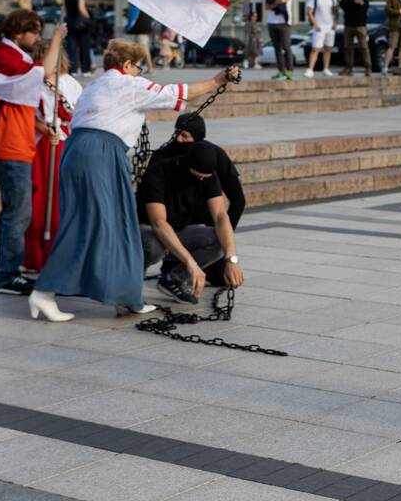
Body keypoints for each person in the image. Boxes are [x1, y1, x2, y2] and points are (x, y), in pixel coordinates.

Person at [27, 40, 237, 322]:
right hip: (101, 154)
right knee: (93, 225)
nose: (140, 72)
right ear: (126, 65)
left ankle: (127, 295)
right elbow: (180, 93)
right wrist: (217, 80)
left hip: (83, 152)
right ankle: (45, 291)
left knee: (117, 225)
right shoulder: (126, 84)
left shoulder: (96, 85)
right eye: (138, 66)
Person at [0, 10, 68, 295]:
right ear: (18, 32)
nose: (37, 38)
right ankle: (7, 276)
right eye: (34, 32)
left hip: (20, 143)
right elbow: (42, 73)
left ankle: (11, 271)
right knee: (17, 213)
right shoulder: (4, 58)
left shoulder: (13, 57)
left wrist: (41, 126)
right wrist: (57, 39)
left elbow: (18, 100)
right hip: (10, 146)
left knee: (20, 211)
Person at [138, 141, 246, 304]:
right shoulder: (159, 172)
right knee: (155, 247)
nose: (201, 180)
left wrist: (231, 259)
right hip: (147, 231)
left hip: (178, 231)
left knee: (218, 240)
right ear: (186, 165)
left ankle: (174, 279)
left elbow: (220, 216)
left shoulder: (209, 177)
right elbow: (159, 223)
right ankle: (131, 284)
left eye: (205, 177)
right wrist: (191, 263)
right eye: (197, 175)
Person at [22, 41, 83, 273]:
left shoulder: (71, 83)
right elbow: (28, 114)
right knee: (39, 201)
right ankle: (36, 256)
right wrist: (45, 129)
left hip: (66, 145)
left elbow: (81, 112)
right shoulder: (32, 83)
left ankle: (61, 255)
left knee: (63, 201)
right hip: (42, 146)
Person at [149, 112, 246, 231]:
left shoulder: (214, 156)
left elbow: (238, 199)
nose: (179, 139)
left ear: (197, 137)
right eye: (177, 133)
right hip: (170, 224)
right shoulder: (163, 156)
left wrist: (225, 233)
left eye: (184, 135)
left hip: (205, 223)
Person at [304, 0, 338, 78]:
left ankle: (326, 68)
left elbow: (336, 11)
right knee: (315, 49)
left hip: (330, 27)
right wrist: (316, 24)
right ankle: (310, 69)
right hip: (319, 27)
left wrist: (335, 22)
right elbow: (309, 12)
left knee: (328, 48)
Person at [339, 0, 372, 76]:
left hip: (360, 26)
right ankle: (349, 68)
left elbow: (363, 6)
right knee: (348, 47)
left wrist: (353, 4)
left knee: (364, 47)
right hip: (348, 25)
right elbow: (343, 4)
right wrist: (354, 2)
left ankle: (368, 67)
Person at [265, 0, 294, 80]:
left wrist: (273, 2)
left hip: (284, 24)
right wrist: (277, 2)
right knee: (277, 49)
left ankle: (289, 71)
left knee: (286, 47)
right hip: (272, 23)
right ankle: (281, 71)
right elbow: (267, 7)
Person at [64, 0, 94, 77]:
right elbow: (81, 9)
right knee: (84, 48)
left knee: (72, 48)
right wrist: (89, 18)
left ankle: (73, 70)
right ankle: (85, 70)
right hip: (81, 26)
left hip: (70, 24)